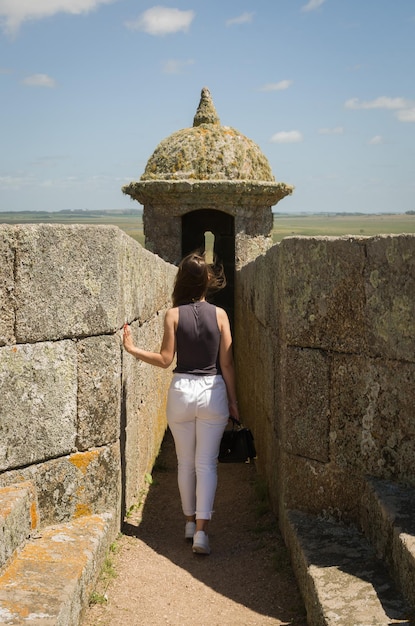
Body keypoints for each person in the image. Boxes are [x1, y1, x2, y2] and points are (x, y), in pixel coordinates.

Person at [123, 251, 239, 555]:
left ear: (181, 280)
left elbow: (164, 360)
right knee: (206, 464)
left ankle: (188, 523)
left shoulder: (173, 315)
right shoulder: (221, 315)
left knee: (185, 462)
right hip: (213, 391)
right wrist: (234, 402)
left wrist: (133, 349)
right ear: (208, 280)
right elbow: (227, 365)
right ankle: (201, 532)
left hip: (182, 391)